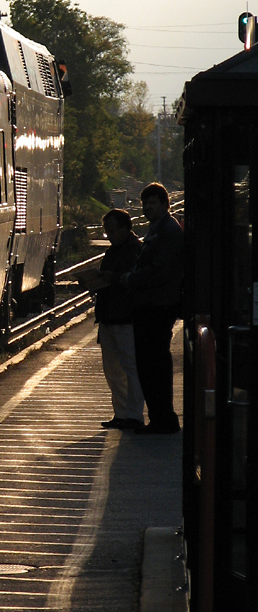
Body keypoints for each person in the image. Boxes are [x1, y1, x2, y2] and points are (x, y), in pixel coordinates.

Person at [124, 182, 184, 435]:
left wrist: (128, 279)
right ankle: (159, 418)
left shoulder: (167, 231)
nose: (147, 208)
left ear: (164, 204)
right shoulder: (158, 229)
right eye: (144, 203)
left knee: (154, 363)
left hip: (157, 305)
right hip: (151, 304)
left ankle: (163, 419)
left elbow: (160, 271)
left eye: (152, 203)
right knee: (149, 363)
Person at [95, 208, 144, 430]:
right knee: (112, 369)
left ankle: (134, 415)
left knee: (130, 368)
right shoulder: (113, 251)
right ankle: (121, 413)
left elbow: (131, 280)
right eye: (107, 232)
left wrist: (110, 278)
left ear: (125, 228)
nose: (110, 236)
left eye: (112, 231)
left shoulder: (136, 250)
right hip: (108, 317)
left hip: (126, 318)